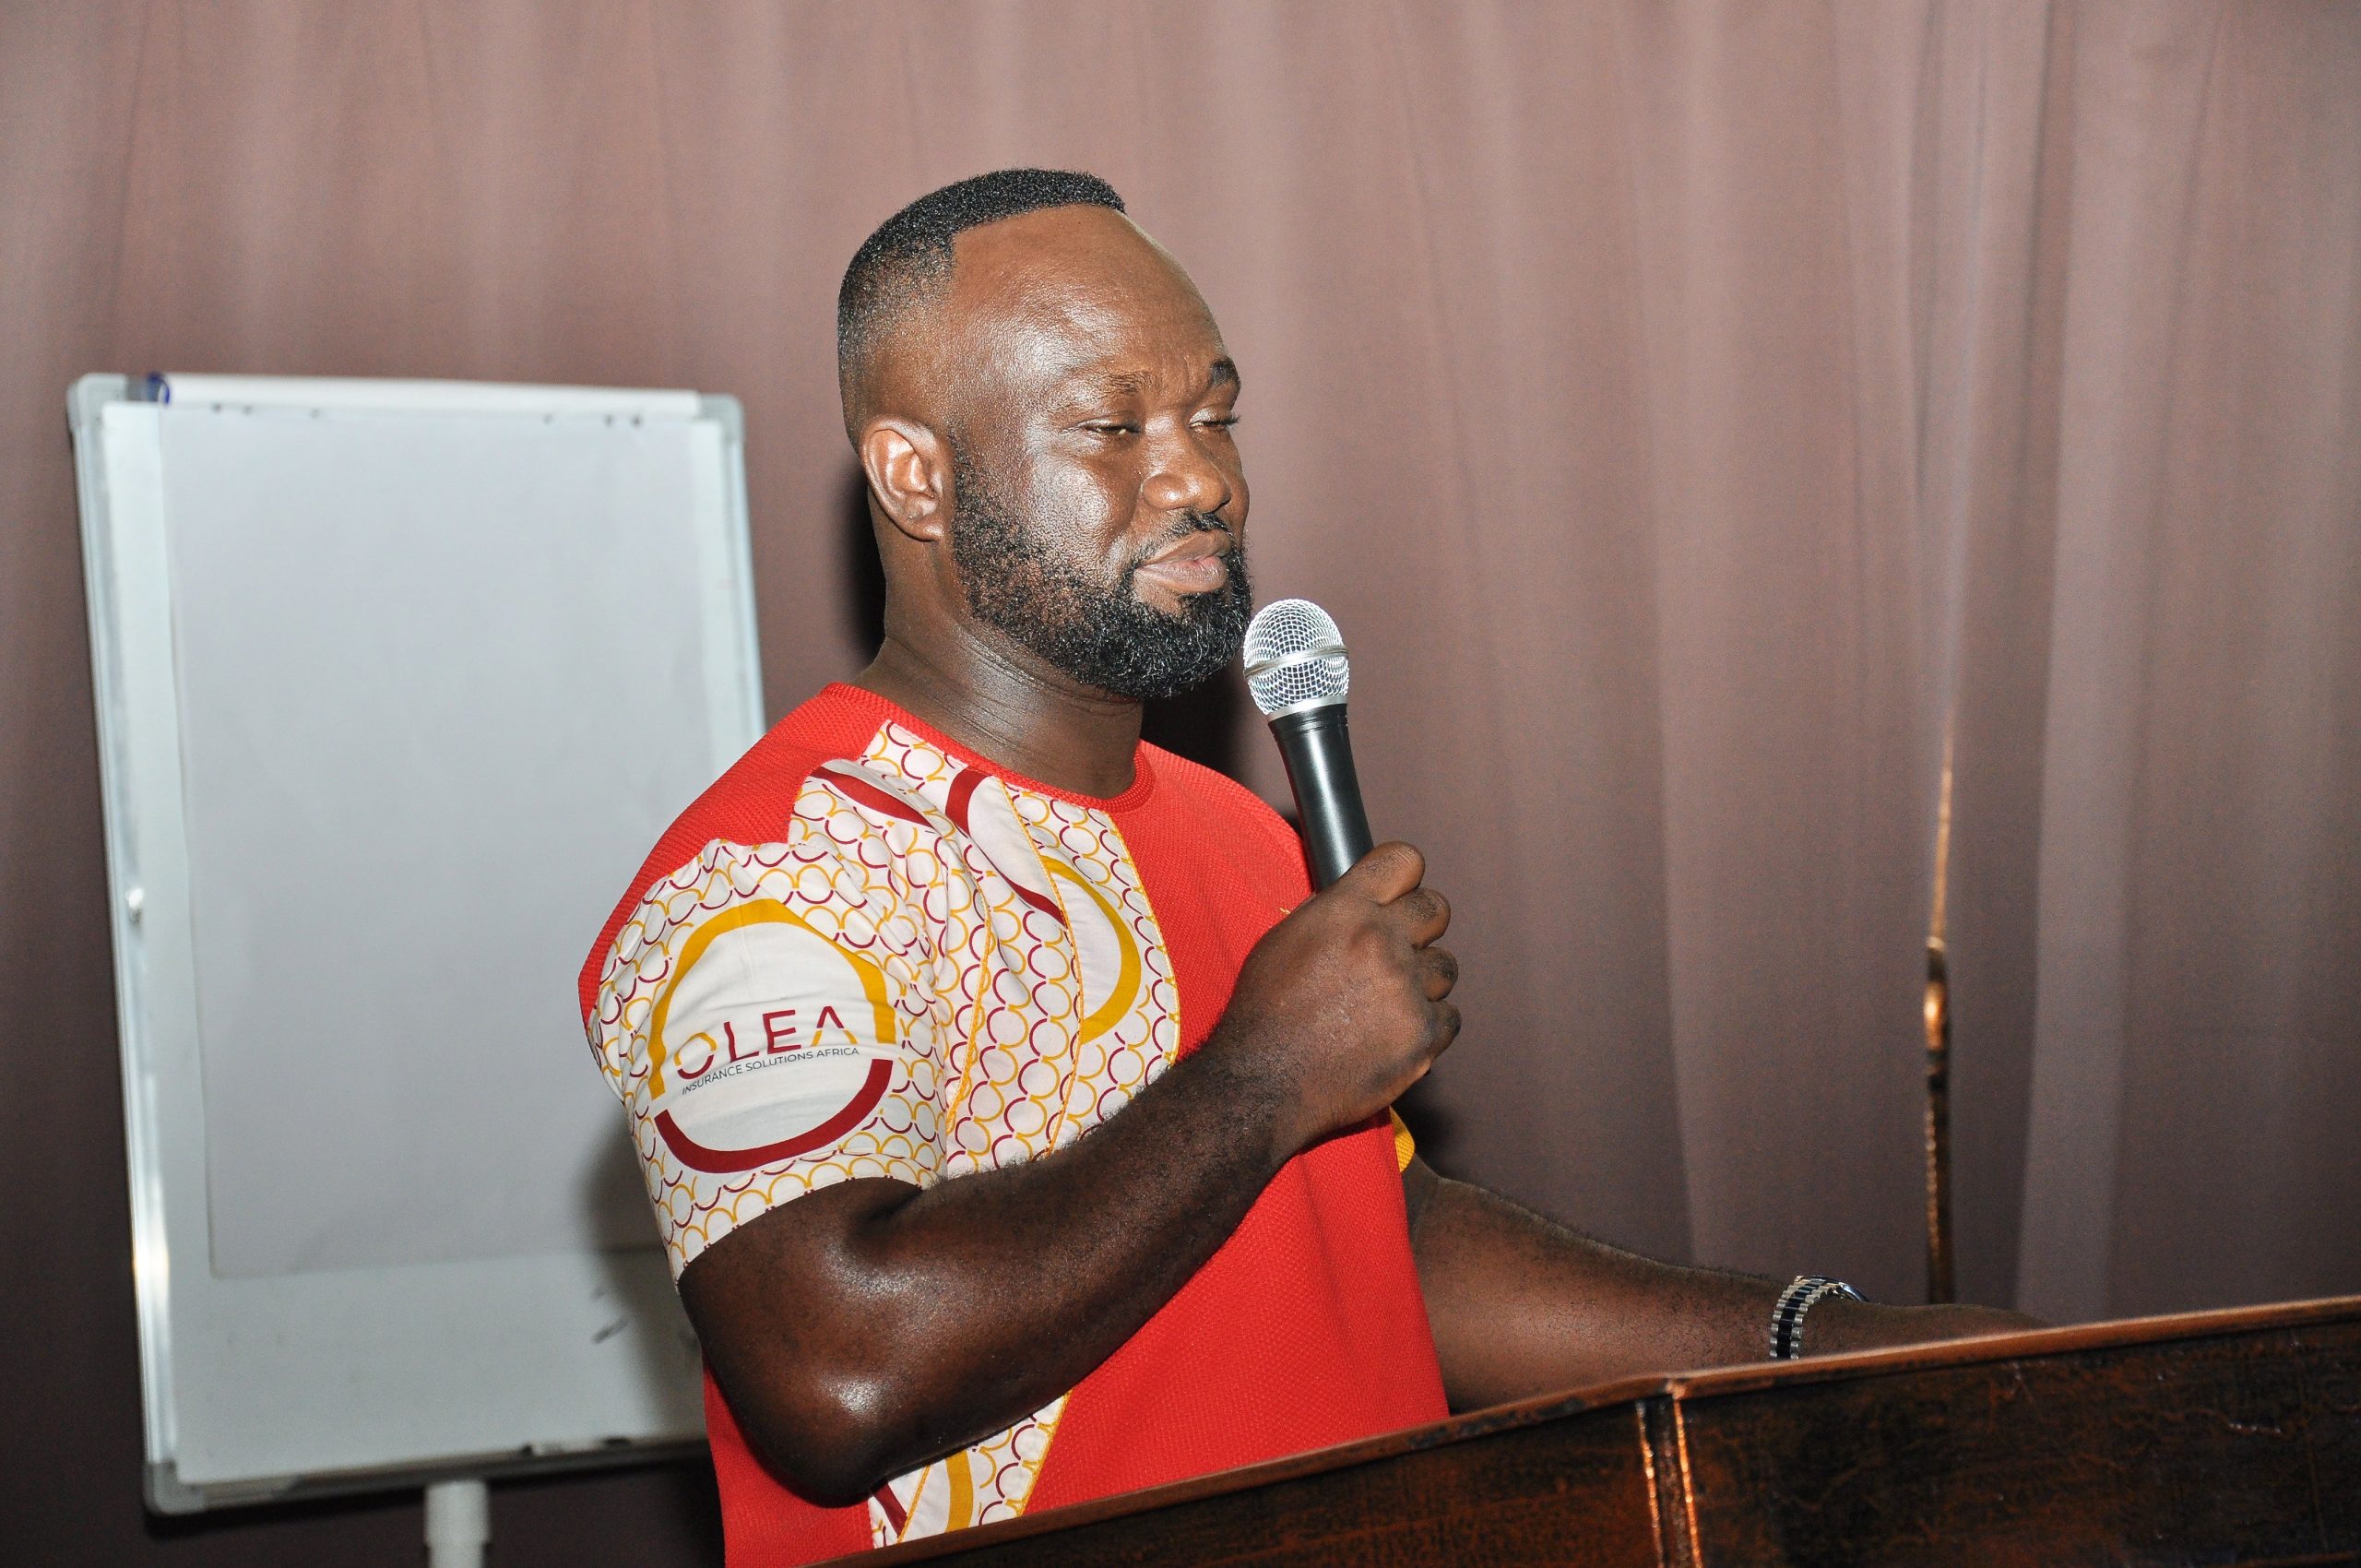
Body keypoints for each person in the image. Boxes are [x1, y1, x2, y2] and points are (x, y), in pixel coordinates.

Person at [578, 169, 2035, 1565]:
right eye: (1112, 427)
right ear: (918, 477)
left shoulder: (1241, 831)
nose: (1200, 478)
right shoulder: (781, 876)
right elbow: (836, 1377)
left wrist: (1815, 1344)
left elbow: (1375, 1248)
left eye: (1214, 415)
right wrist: (1265, 1075)